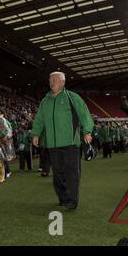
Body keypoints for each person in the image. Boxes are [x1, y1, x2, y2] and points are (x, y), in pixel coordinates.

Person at [31, 72, 94, 210]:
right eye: (50, 80)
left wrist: (87, 131)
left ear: (63, 82)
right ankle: (63, 198)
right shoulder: (45, 101)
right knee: (58, 173)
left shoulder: (72, 97)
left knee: (72, 172)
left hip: (70, 143)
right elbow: (39, 119)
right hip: (52, 144)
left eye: (55, 79)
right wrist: (35, 133)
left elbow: (84, 114)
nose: (51, 82)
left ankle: (72, 200)